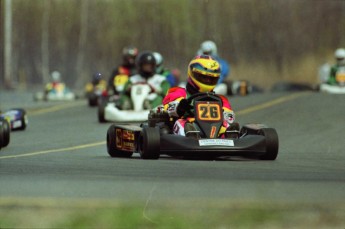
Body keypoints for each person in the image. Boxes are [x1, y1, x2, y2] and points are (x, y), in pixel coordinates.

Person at [162, 55, 238, 138]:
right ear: (192, 73)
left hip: (214, 128)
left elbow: (230, 118)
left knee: (225, 124)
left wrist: (224, 113)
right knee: (181, 122)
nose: (208, 80)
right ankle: (191, 136)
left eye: (211, 78)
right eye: (204, 77)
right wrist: (180, 106)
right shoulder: (179, 92)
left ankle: (230, 136)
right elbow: (168, 107)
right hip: (190, 126)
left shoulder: (220, 99)